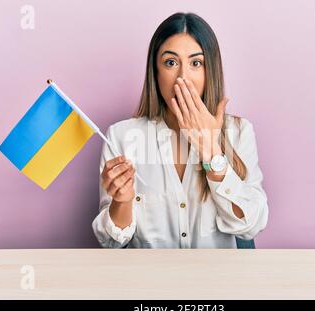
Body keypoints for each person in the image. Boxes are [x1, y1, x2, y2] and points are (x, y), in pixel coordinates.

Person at [92, 12, 269, 248]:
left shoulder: (239, 132)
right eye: (171, 63)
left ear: (209, 72)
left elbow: (251, 225)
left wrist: (212, 152)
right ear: (155, 72)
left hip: (218, 281)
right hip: (149, 281)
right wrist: (121, 201)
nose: (182, 78)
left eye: (196, 63)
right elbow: (110, 243)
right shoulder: (122, 137)